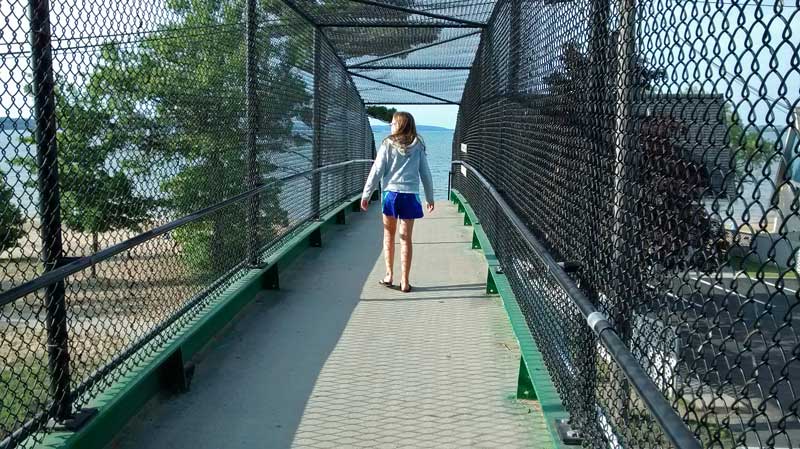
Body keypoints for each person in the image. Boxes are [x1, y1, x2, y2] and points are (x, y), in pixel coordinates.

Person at [360, 112, 434, 293]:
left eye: (392, 123)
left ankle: (389, 275)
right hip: (410, 196)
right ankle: (405, 281)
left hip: (391, 195)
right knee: (406, 238)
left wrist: (366, 194)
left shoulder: (387, 144)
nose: (390, 126)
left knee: (389, 235)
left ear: (399, 125)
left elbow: (377, 171)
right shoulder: (418, 146)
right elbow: (425, 173)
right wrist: (430, 197)